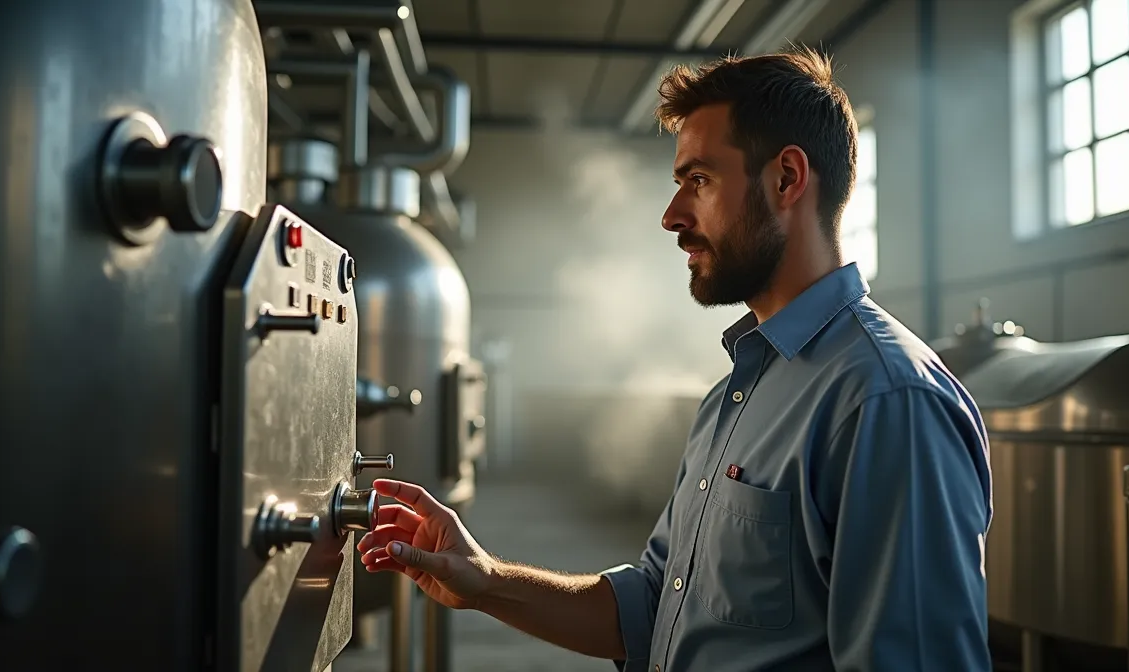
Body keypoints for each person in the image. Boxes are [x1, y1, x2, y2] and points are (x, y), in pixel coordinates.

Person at [357, 47, 994, 671]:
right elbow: (653, 607)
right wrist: (488, 581)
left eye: (700, 180)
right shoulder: (737, 393)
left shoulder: (886, 401)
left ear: (787, 179)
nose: (671, 216)